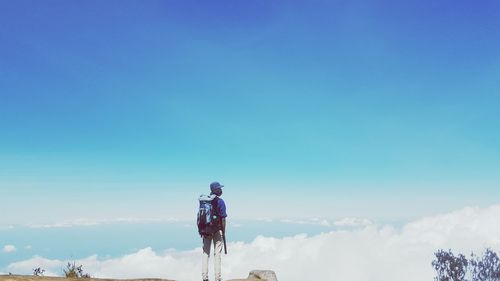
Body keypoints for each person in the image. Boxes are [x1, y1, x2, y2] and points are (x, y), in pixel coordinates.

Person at [202, 181, 227, 281]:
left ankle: (204, 277)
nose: (221, 190)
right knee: (217, 255)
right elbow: (223, 219)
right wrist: (223, 232)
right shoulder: (220, 202)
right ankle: (218, 278)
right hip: (217, 230)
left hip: (206, 231)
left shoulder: (204, 202)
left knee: (205, 253)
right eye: (219, 188)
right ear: (215, 190)